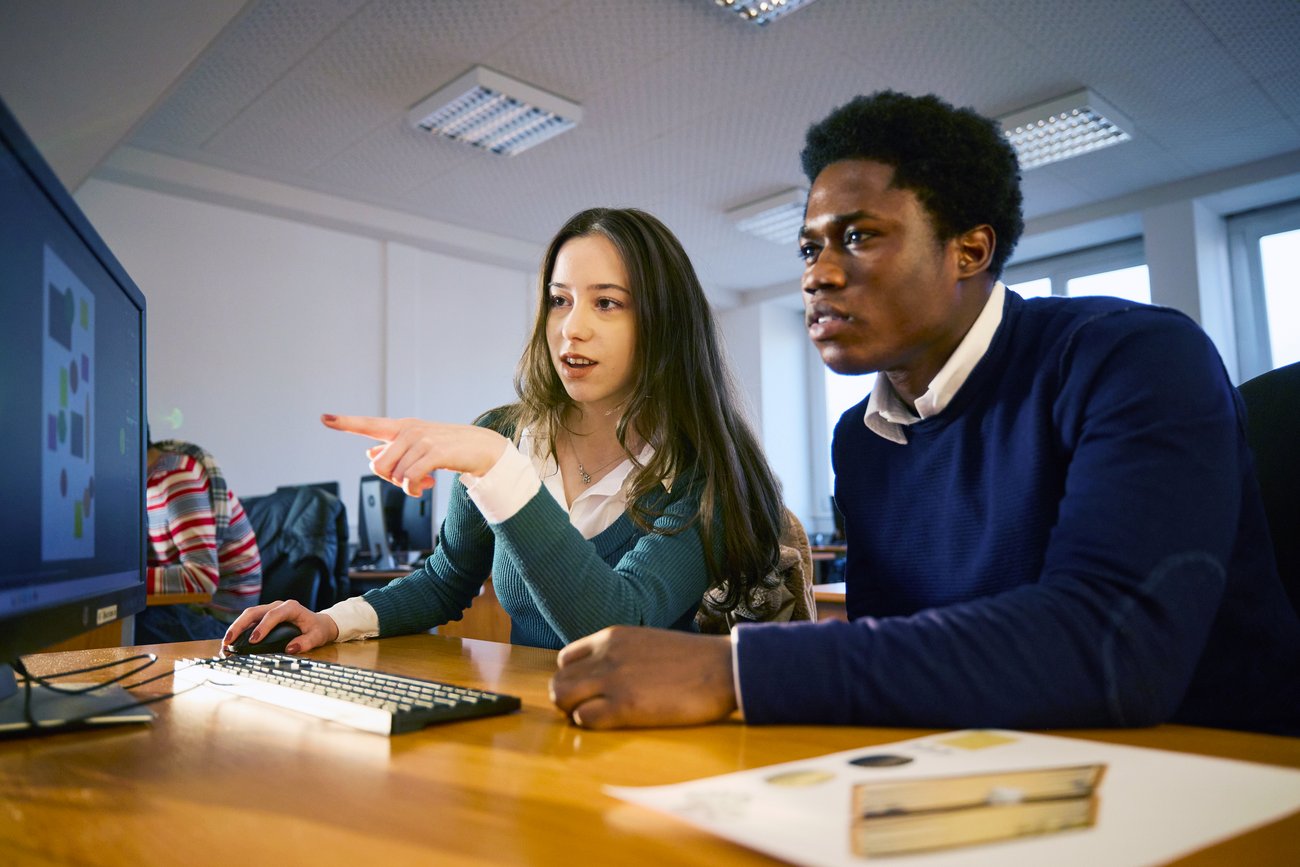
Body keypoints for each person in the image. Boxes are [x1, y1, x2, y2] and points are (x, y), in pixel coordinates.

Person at [549, 91, 1300, 736]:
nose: (820, 275)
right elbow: (905, 643)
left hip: (1207, 772)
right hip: (988, 767)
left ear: (969, 250)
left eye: (860, 236)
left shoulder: (1135, 358)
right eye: (809, 248)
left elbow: (1109, 643)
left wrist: (736, 669)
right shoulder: (863, 439)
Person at [225, 207, 790, 654]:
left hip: (644, 745)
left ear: (665, 325)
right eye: (559, 301)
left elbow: (619, 622)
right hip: (531, 727)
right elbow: (447, 580)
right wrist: (331, 620)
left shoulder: (706, 469)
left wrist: (500, 469)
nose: (573, 328)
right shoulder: (505, 431)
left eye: (607, 304)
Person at [137, 436, 263, 643]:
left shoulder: (176, 475)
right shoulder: (149, 481)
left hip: (224, 623)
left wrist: (124, 581)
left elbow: (200, 578)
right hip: (193, 610)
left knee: (119, 619)